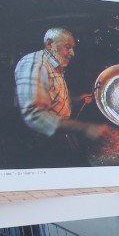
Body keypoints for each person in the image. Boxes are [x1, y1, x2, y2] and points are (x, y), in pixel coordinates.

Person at [14, 28, 107, 161]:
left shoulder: (55, 66)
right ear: (50, 44)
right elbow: (34, 116)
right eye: (68, 47)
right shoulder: (35, 63)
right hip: (46, 142)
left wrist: (75, 100)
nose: (72, 53)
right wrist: (85, 128)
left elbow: (54, 98)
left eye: (72, 48)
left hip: (63, 133)